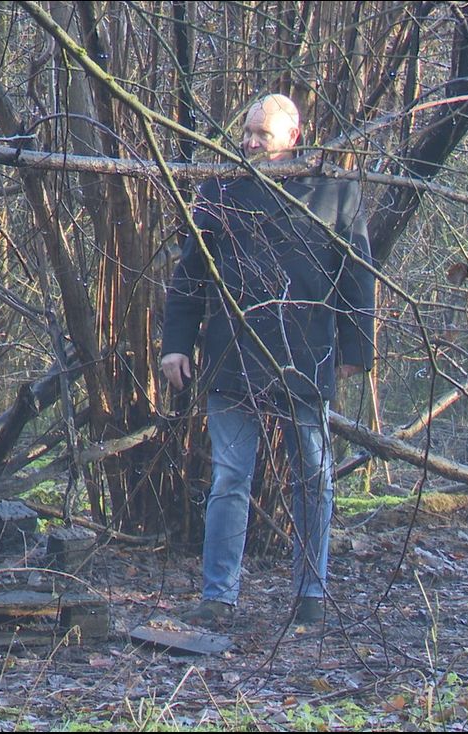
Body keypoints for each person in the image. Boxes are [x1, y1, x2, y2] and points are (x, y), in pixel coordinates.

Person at [160, 94, 375, 628]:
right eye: (248, 132)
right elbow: (191, 274)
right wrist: (175, 344)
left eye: (264, 134)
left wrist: (354, 349)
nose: (252, 142)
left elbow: (357, 276)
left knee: (315, 474)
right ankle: (219, 596)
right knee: (231, 476)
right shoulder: (220, 190)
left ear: (294, 136)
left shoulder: (336, 191)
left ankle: (311, 595)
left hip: (308, 355)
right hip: (231, 356)